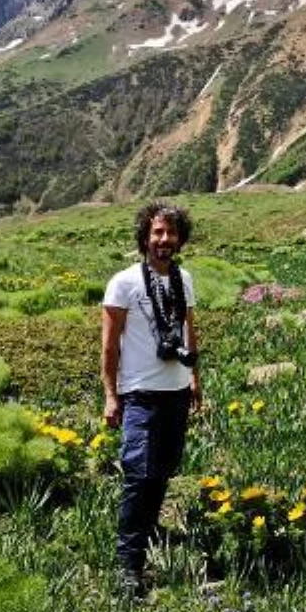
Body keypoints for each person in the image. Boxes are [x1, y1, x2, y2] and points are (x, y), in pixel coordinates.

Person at [101, 202, 201, 588]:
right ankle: (129, 564)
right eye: (157, 233)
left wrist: (195, 378)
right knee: (138, 475)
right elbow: (109, 346)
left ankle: (150, 529)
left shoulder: (184, 279)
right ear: (144, 237)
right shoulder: (123, 283)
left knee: (162, 470)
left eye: (171, 233)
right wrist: (111, 395)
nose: (165, 240)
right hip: (140, 393)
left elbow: (190, 330)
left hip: (175, 390)